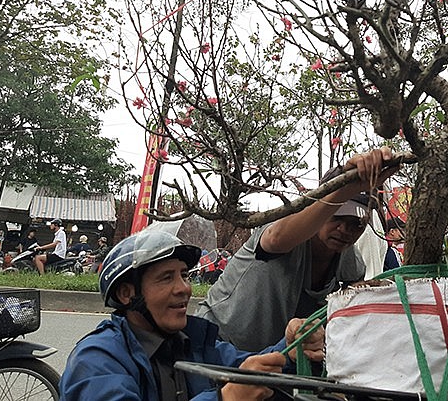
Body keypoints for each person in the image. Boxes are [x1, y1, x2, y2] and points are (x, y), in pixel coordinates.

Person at [59, 230, 324, 401]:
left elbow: (251, 366)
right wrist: (225, 398)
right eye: (166, 278)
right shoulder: (97, 359)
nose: (184, 288)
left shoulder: (192, 342)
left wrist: (291, 349)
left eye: (184, 276)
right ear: (128, 294)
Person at [196, 147, 397, 351]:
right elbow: (276, 240)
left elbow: (353, 295)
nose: (345, 230)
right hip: (214, 343)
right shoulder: (283, 231)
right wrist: (347, 187)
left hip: (268, 360)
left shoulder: (348, 259)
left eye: (357, 223)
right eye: (336, 217)